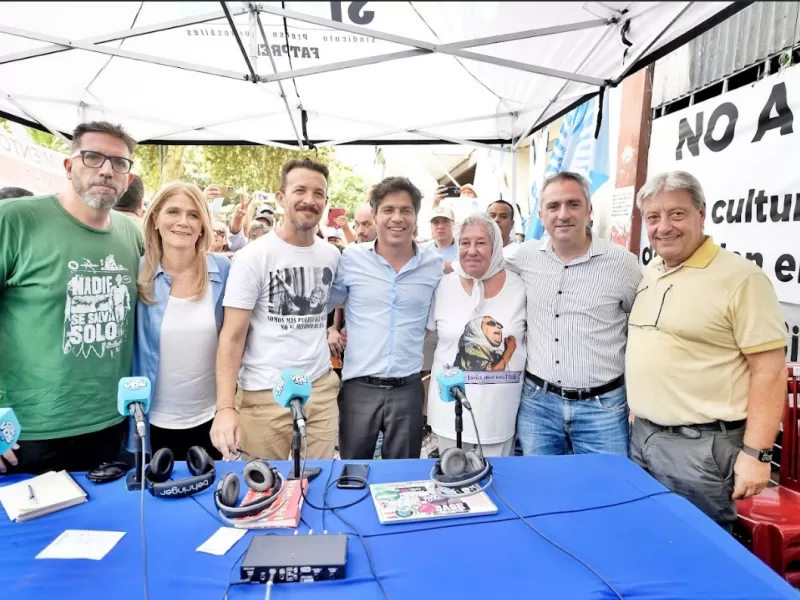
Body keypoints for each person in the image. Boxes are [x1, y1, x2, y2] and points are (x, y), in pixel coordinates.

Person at [627, 171, 787, 530]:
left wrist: (757, 454)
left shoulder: (742, 279)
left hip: (702, 450)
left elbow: (770, 371)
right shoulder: (652, 271)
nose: (664, 227)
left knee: (697, 544)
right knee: (650, 534)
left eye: (677, 214)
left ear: (701, 213)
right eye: (653, 217)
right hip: (643, 438)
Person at [0, 121, 142, 475]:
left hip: (110, 425)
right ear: (68, 166)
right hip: (25, 434)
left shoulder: (131, 235)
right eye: (93, 157)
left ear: (127, 179)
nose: (106, 170)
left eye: (118, 162)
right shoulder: (15, 220)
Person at [210, 159, 341, 461]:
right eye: (300, 190)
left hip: (319, 391)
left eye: (318, 193)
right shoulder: (253, 256)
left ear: (325, 202)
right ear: (281, 198)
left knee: (319, 481)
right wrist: (225, 407)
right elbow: (231, 337)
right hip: (263, 396)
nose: (309, 200)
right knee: (264, 485)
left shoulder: (332, 256)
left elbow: (332, 305)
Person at [506, 171, 641, 457]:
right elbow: (480, 262)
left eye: (573, 204)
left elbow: (641, 328)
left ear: (589, 210)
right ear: (541, 215)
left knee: (604, 483)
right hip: (538, 406)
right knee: (542, 482)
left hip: (603, 409)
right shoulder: (524, 257)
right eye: (553, 206)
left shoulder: (623, 264)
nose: (563, 214)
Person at [329, 177, 443, 460]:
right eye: (388, 210)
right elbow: (326, 303)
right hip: (358, 388)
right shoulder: (351, 259)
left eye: (406, 210)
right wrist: (331, 330)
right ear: (375, 214)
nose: (397, 218)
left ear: (416, 217)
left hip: (408, 389)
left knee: (402, 477)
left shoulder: (434, 265)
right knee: (353, 472)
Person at [133, 182, 231, 460]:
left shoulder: (223, 270)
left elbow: (234, 340)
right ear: (155, 219)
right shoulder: (136, 272)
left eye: (193, 215)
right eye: (173, 212)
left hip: (210, 420)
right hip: (149, 421)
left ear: (202, 226)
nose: (183, 222)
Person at [427, 214, 526, 456]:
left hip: (499, 413)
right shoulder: (443, 286)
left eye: (481, 243)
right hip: (449, 410)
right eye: (464, 243)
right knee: (451, 474)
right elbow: (426, 338)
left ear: (495, 247)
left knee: (496, 476)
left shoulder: (519, 286)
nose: (471, 251)